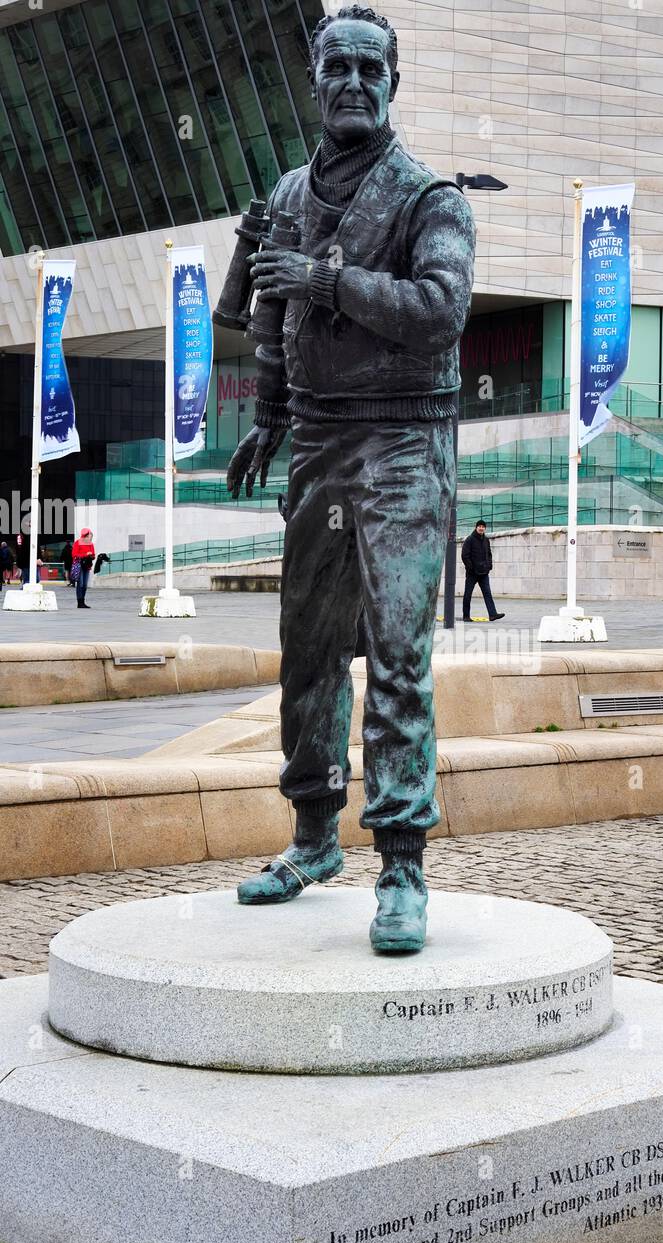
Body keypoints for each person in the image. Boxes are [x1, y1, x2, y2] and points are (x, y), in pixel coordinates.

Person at [226, 6, 476, 954]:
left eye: (373, 69)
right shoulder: (288, 193)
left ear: (393, 85)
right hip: (321, 443)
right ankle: (310, 837)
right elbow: (268, 317)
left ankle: (403, 862)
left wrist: (327, 279)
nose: (356, 83)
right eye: (339, 67)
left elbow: (441, 310)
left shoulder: (429, 199)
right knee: (310, 646)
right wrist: (267, 418)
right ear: (316, 79)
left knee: (399, 653)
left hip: (405, 440)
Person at [461, 519, 504, 622]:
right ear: (476, 527)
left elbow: (489, 554)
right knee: (468, 594)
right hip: (472, 573)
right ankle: (466, 616)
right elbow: (464, 555)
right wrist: (470, 567)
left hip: (484, 573)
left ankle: (492, 614)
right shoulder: (470, 539)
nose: (481, 528)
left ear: (485, 528)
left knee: (487, 593)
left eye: (483, 527)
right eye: (479, 526)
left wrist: (489, 565)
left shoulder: (486, 540)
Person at [71, 528, 95, 608]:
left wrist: (91, 555)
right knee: (80, 584)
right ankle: (80, 602)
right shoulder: (77, 543)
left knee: (85, 585)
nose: (90, 537)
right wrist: (85, 554)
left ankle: (83, 601)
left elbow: (93, 555)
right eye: (88, 535)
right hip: (79, 565)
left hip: (87, 566)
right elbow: (74, 555)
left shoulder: (91, 544)